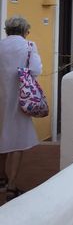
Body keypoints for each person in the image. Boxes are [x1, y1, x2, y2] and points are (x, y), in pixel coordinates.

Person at [0, 16, 40, 198]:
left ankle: (1, 177)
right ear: (25, 31)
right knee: (17, 139)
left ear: (7, 30)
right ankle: (11, 185)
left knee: (2, 135)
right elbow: (36, 70)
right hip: (19, 98)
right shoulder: (29, 46)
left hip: (1, 96)